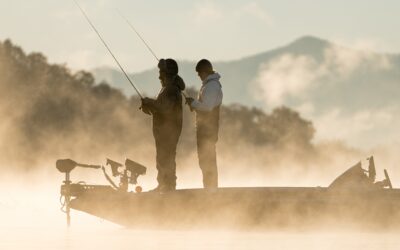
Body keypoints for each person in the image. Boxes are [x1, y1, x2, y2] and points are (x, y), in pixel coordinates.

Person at [141, 58, 185, 192]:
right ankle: (163, 185)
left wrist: (150, 102)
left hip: (169, 132)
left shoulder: (171, 89)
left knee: (166, 158)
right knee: (161, 158)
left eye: (162, 72)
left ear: (168, 73)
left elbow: (165, 109)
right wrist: (147, 106)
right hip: (163, 132)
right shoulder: (166, 89)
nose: (159, 75)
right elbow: (158, 109)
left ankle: (169, 186)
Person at [186, 59, 223, 189]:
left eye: (199, 72)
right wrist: (194, 104)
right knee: (204, 161)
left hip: (208, 131)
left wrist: (193, 103)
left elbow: (208, 107)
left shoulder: (212, 86)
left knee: (208, 161)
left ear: (205, 71)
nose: (198, 75)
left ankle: (211, 190)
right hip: (205, 130)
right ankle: (209, 188)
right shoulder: (208, 85)